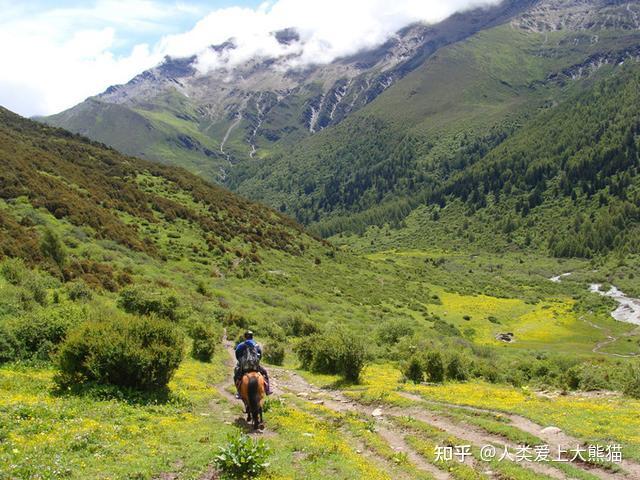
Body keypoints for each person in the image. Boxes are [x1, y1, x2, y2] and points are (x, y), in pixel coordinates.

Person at [234, 331, 272, 397]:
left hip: (244, 367)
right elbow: (260, 355)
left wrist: (241, 362)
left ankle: (239, 392)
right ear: (252, 337)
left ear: (245, 337)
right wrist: (256, 362)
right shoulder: (256, 345)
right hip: (255, 366)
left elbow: (237, 354)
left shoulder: (241, 345)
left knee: (236, 376)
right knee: (265, 373)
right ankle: (267, 390)